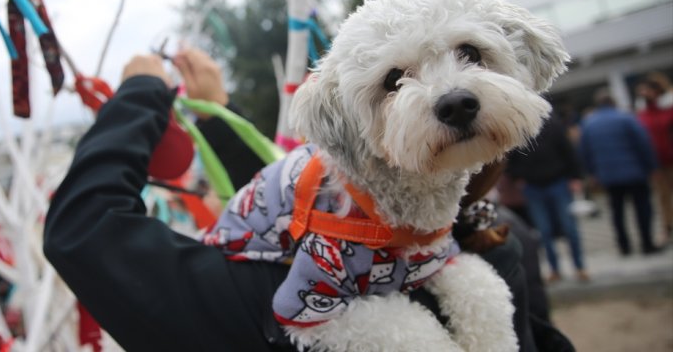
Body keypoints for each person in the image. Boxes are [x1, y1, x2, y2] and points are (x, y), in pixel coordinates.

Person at [44, 49, 571, 351]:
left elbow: (85, 229)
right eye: (395, 80)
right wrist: (215, 116)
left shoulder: (277, 291)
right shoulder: (501, 244)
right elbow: (298, 202)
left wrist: (138, 95)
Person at [506, 113, 589, 283]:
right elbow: (509, 160)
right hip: (533, 187)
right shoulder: (516, 130)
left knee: (569, 228)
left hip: (557, 182)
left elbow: (567, 151)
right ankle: (554, 270)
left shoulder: (553, 125)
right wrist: (518, 177)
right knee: (544, 232)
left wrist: (575, 177)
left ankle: (580, 267)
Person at [578, 88, 660, 255]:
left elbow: (584, 152)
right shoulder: (627, 118)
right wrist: (651, 166)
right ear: (613, 103)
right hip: (635, 172)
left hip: (609, 176)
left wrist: (593, 173)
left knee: (617, 212)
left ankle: (624, 246)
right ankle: (647, 243)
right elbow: (643, 143)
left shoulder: (589, 123)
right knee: (642, 208)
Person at [635, 72, 673, 241]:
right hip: (656, 163)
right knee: (663, 197)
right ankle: (668, 227)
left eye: (649, 90)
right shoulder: (643, 113)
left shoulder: (669, 109)